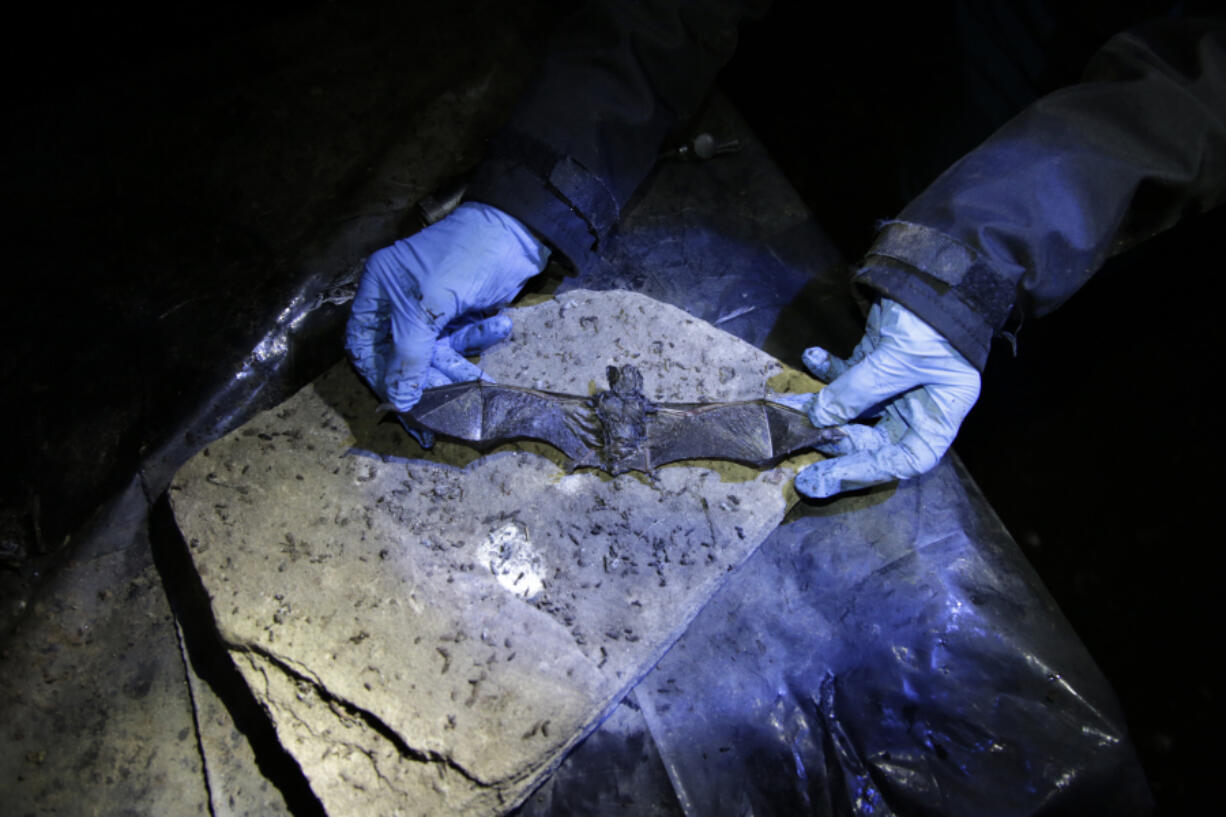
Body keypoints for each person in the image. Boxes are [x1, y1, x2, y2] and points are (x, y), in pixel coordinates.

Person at [344, 2, 1225, 499]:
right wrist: (529, 199)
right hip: (840, 51)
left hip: (1095, 50)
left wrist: (971, 275)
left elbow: (1197, 82)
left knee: (926, 368)